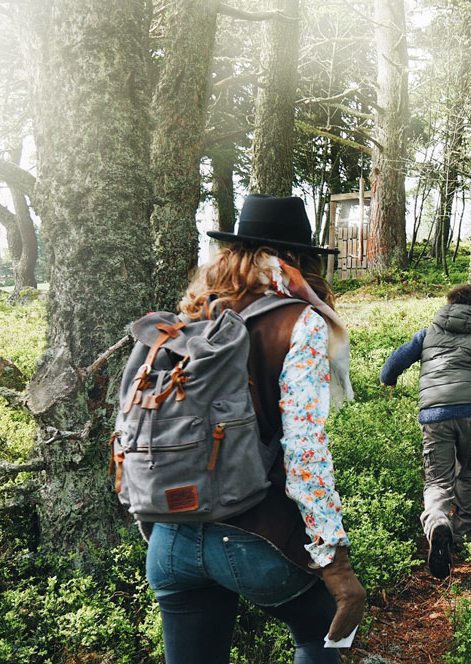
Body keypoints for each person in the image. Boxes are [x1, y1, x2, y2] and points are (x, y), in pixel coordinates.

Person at [144, 194, 365, 664]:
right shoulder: (300, 322)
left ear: (231, 254)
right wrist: (336, 563)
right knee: (322, 629)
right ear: (298, 259)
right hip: (253, 538)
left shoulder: (191, 318)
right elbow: (305, 450)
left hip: (170, 537)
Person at [379, 285, 471, 579]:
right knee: (469, 472)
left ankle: (437, 523)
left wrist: (389, 379)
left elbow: (394, 363)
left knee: (437, 479)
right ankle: (465, 539)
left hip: (434, 417)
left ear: (449, 306)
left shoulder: (426, 335)